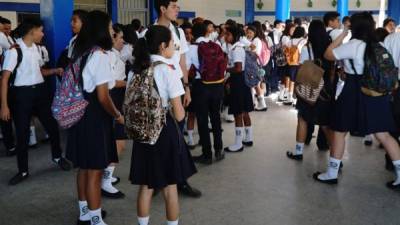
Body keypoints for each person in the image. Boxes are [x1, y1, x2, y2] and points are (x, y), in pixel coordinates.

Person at [313, 12, 400, 189]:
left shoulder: (353, 45)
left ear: (354, 26)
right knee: (383, 134)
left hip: (353, 91)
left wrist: (343, 33)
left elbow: (328, 54)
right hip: (376, 92)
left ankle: (331, 173)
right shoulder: (379, 45)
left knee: (339, 131)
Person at [129, 25, 197, 225]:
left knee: (146, 186)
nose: (174, 50)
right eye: (172, 45)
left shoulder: (136, 70)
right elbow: (178, 112)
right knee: (170, 187)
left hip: (142, 132)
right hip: (164, 131)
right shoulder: (167, 71)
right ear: (162, 46)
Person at [66, 10, 123, 225]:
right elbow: (103, 96)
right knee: (95, 172)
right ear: (101, 30)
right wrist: (117, 115)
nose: (111, 31)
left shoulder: (80, 50)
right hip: (94, 118)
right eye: (109, 28)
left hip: (79, 115)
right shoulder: (98, 56)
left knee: (84, 167)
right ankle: (96, 219)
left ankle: (85, 213)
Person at [1, 18, 70, 185]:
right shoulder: (14, 51)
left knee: (53, 127)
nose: (43, 33)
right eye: (40, 30)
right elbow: (4, 79)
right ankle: (23, 170)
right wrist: (4, 105)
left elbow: (40, 72)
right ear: (32, 32)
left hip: (40, 93)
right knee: (23, 134)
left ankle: (56, 157)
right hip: (21, 96)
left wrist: (55, 70)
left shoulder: (37, 49)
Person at [146, 0, 201, 198]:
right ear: (162, 8)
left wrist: (186, 87)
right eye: (174, 6)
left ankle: (179, 180)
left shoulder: (177, 32)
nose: (177, 9)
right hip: (157, 87)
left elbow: (183, 60)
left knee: (177, 135)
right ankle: (156, 180)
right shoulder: (149, 32)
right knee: (156, 136)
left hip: (176, 83)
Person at [286, 20, 333, 160]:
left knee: (302, 119)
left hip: (309, 88)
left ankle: (299, 152)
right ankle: (335, 157)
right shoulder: (329, 46)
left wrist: (296, 89)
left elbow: (302, 69)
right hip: (325, 90)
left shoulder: (308, 47)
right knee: (325, 124)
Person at [188, 22, 225, 165]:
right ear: (206, 32)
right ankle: (219, 149)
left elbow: (186, 69)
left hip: (200, 86)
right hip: (217, 85)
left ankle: (207, 154)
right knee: (215, 117)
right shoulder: (217, 46)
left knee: (202, 120)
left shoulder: (192, 48)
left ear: (192, 34)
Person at [100, 24, 127, 199]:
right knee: (119, 143)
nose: (123, 41)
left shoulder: (114, 55)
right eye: (120, 37)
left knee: (116, 141)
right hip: (113, 99)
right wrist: (130, 82)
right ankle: (105, 182)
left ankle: (106, 177)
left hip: (116, 98)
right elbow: (110, 82)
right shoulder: (109, 56)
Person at [224, 25, 254, 153]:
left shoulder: (236, 49)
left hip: (238, 81)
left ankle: (238, 143)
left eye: (228, 34)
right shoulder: (240, 47)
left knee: (238, 112)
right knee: (245, 110)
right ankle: (248, 137)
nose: (225, 37)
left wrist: (225, 69)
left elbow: (238, 68)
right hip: (244, 82)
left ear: (234, 36)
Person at [283, 26, 307, 105]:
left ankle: (290, 97)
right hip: (300, 63)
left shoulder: (291, 41)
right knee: (299, 81)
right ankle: (297, 99)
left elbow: (285, 50)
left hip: (291, 63)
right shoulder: (304, 41)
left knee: (291, 80)